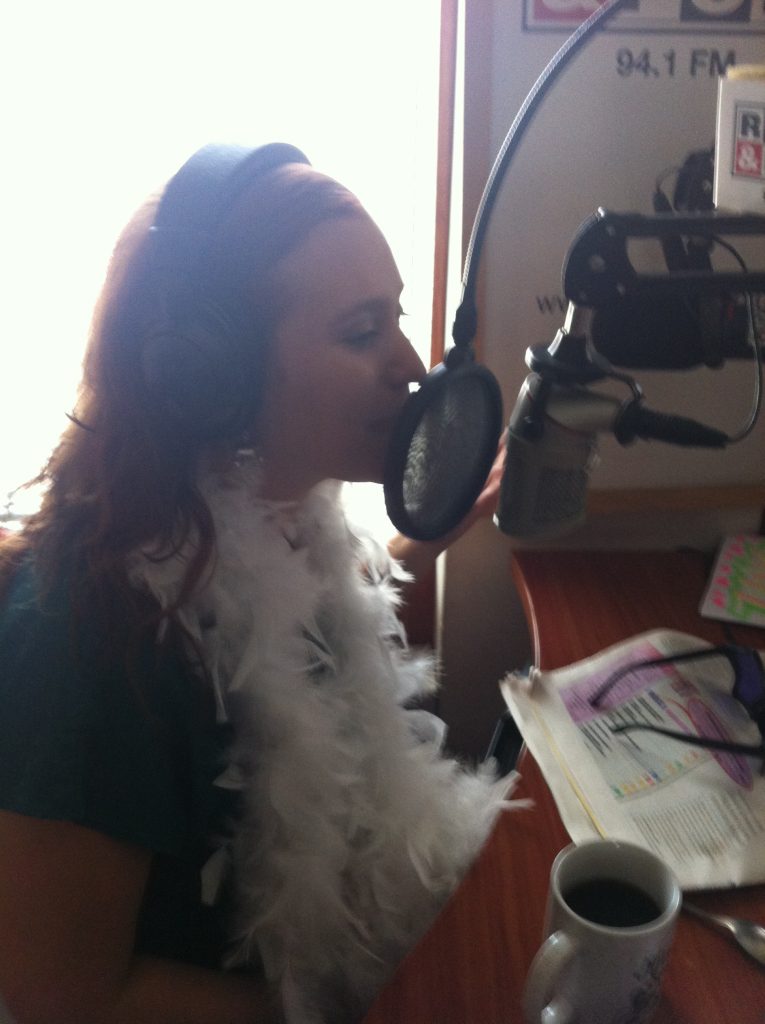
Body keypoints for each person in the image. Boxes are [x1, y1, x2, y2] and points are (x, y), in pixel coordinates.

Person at [0, 144, 514, 1024]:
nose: (410, 364)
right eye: (360, 332)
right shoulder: (84, 641)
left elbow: (287, 633)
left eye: (395, 317)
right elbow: (58, 994)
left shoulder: (285, 514)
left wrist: (418, 545)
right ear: (213, 378)